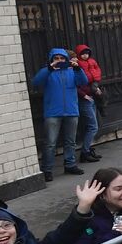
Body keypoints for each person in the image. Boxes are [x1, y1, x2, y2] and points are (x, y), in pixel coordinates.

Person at [32, 48, 88, 181]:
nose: (59, 61)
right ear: (51, 60)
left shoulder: (72, 71)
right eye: (56, 58)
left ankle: (70, 164)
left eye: (62, 58)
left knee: (70, 141)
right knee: (50, 143)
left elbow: (83, 81)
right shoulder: (47, 72)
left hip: (71, 110)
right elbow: (35, 82)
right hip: (53, 112)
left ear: (66, 59)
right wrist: (49, 69)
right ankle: (47, 169)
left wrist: (77, 68)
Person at [74, 44, 104, 163]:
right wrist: (83, 95)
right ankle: (85, 152)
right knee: (93, 126)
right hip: (85, 99)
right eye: (82, 53)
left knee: (93, 125)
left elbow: (96, 74)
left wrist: (96, 87)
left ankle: (88, 149)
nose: (85, 55)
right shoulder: (77, 67)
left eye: (87, 53)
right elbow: (75, 85)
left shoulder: (91, 62)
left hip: (92, 96)